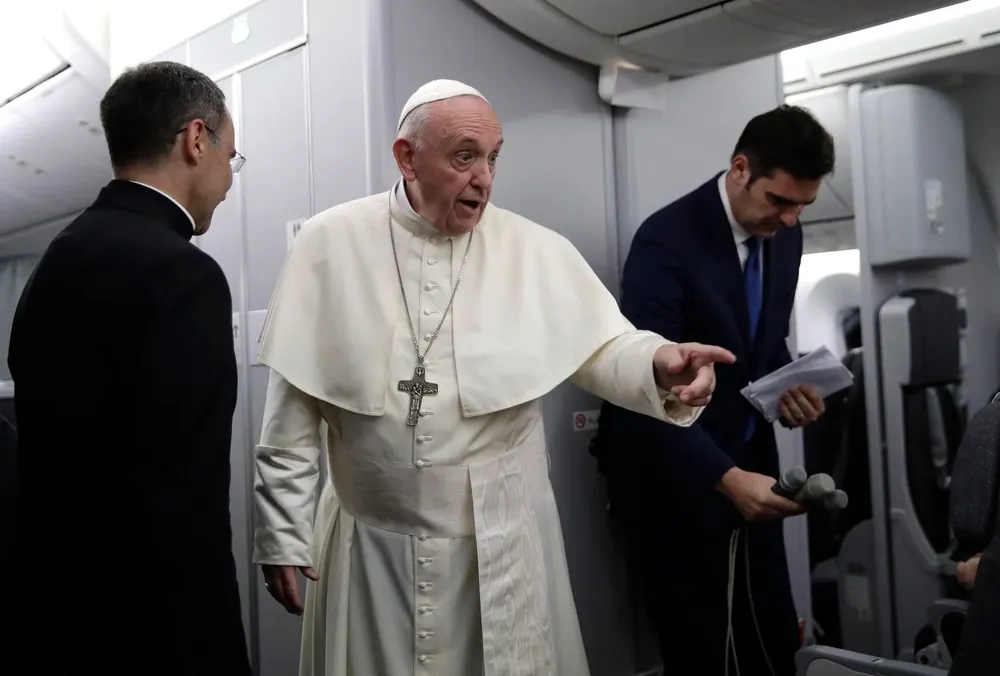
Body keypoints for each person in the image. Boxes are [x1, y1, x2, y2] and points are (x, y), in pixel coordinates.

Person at [251, 79, 736, 676]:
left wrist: (660, 362)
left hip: (502, 544)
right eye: (464, 157)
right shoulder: (329, 243)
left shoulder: (534, 249)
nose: (485, 178)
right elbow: (294, 408)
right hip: (370, 548)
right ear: (407, 157)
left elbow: (602, 344)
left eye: (493, 157)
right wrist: (281, 532)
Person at [7, 62, 251, 675]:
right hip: (148, 636)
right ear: (197, 141)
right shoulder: (184, 276)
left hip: (55, 618)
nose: (227, 181)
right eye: (232, 157)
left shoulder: (54, 263)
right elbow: (183, 506)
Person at [595, 105, 836, 676]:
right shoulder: (667, 240)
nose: (789, 219)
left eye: (803, 206)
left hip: (752, 463)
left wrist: (789, 387)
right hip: (677, 476)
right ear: (739, 169)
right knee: (703, 651)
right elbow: (642, 388)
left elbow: (761, 343)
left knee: (771, 637)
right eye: (779, 201)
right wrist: (726, 481)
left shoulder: (784, 237)